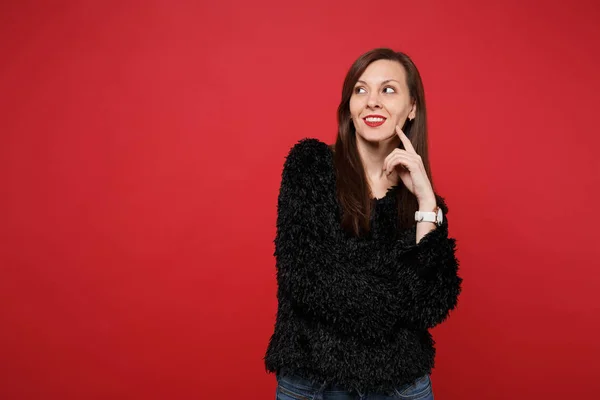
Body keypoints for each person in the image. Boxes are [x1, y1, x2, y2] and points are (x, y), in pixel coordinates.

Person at [264, 48, 463, 400]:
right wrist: (399, 301)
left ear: (412, 107)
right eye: (360, 90)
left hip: (401, 388)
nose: (372, 101)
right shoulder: (310, 166)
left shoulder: (423, 204)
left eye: (388, 90)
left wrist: (427, 203)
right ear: (349, 106)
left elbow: (432, 303)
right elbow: (308, 280)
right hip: (314, 386)